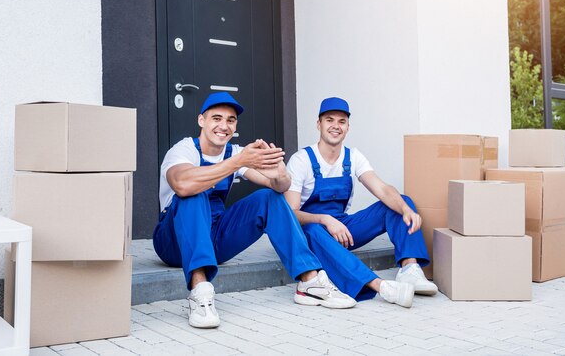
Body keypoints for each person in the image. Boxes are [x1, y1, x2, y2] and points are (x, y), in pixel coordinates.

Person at [153, 92, 356, 329]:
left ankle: (309, 281)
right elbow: (182, 184)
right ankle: (200, 291)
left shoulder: (235, 152)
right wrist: (239, 162)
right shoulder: (184, 149)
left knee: (269, 198)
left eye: (230, 120)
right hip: (172, 242)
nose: (223, 126)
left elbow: (279, 188)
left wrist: (279, 175)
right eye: (216, 118)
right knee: (195, 192)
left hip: (214, 239)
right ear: (202, 121)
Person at [284, 97, 437, 308]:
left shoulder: (353, 157)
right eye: (329, 120)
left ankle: (409, 269)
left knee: (401, 201)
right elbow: (290, 214)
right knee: (312, 230)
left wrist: (405, 209)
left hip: (343, 231)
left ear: (347, 127)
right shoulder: (301, 160)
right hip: (309, 233)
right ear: (319, 124)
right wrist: (325, 219)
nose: (335, 126)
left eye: (341, 121)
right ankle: (380, 286)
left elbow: (382, 189)